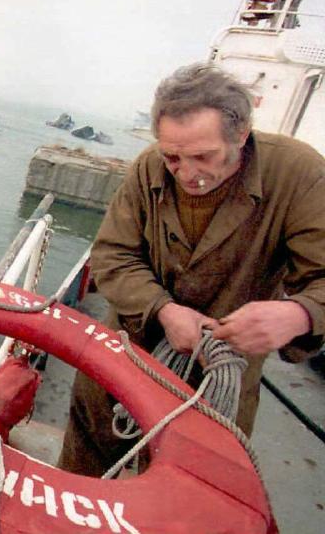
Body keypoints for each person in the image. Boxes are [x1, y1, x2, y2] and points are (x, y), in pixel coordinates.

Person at [57, 63, 325, 477]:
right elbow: (112, 254)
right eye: (173, 157)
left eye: (204, 156)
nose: (187, 174)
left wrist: (300, 313)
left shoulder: (299, 174)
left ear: (241, 133)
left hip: (219, 378)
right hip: (127, 353)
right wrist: (164, 309)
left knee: (191, 483)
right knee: (86, 463)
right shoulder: (149, 167)